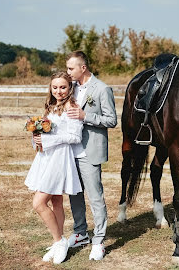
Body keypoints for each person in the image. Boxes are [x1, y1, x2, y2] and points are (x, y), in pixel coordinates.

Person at [24, 71, 83, 265]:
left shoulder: (72, 107)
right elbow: (44, 131)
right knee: (56, 201)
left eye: (63, 87)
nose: (59, 91)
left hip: (59, 159)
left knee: (39, 203)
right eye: (55, 87)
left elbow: (75, 137)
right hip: (46, 158)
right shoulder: (51, 106)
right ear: (50, 88)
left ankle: (60, 241)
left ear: (70, 87)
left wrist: (48, 140)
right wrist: (37, 139)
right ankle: (57, 241)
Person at [65, 51, 117, 261]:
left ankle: (99, 240)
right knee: (75, 195)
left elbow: (111, 120)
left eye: (71, 68)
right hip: (70, 152)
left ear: (82, 68)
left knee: (95, 197)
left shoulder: (102, 89)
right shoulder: (70, 89)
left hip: (90, 151)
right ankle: (80, 233)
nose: (68, 72)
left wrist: (85, 116)